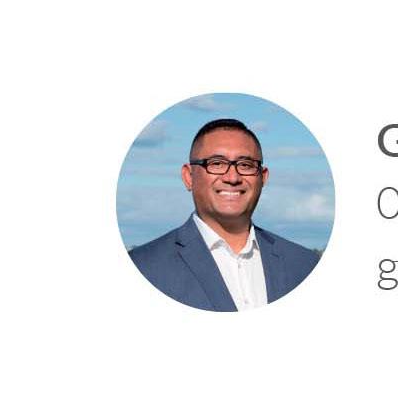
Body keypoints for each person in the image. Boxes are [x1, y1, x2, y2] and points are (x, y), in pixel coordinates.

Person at [128, 117, 321, 312]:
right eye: (217, 163)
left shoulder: (305, 265)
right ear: (189, 177)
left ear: (262, 178)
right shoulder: (143, 267)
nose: (232, 177)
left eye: (245, 165)